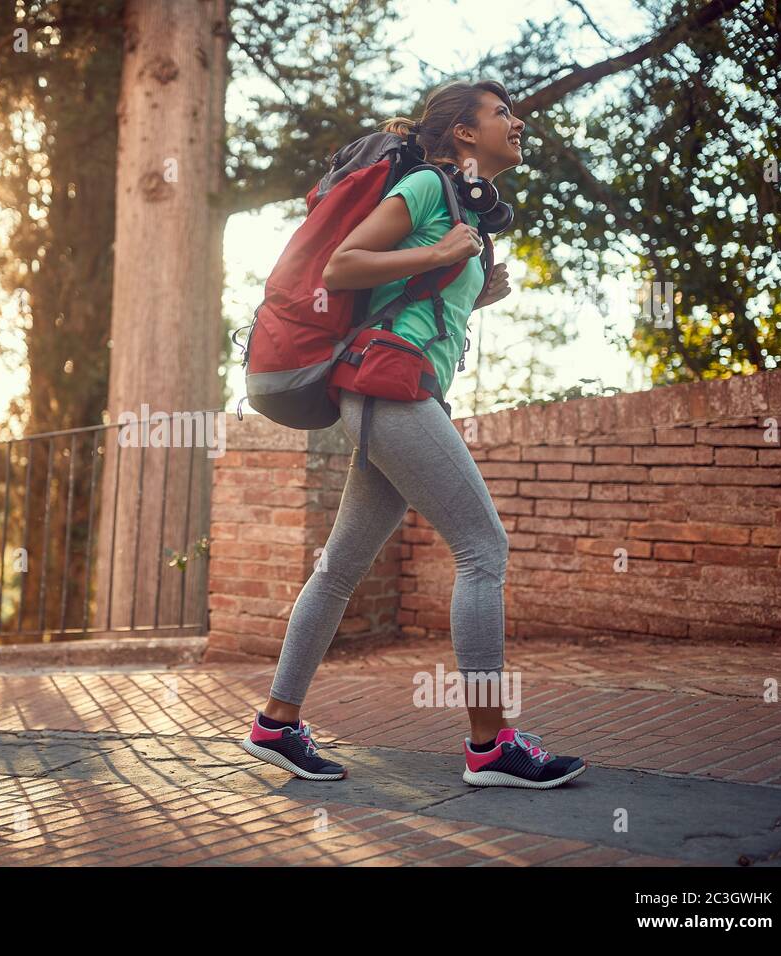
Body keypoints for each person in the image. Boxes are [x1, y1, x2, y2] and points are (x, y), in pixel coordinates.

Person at [240, 80, 587, 790]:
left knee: (338, 569)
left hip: (396, 392)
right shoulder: (430, 185)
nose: (517, 122)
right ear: (463, 133)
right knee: (483, 548)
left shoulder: (466, 211)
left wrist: (471, 283)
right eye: (501, 114)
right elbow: (343, 264)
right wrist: (437, 257)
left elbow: (410, 292)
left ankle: (276, 725)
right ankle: (490, 746)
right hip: (385, 389)